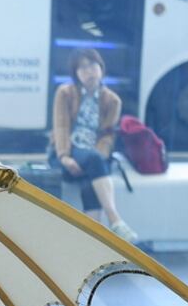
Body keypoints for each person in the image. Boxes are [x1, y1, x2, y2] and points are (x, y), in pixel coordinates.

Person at [49, 48, 138, 243]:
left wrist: (96, 155)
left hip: (92, 156)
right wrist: (65, 156)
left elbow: (107, 137)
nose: (88, 71)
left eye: (92, 66)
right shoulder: (65, 93)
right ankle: (115, 220)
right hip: (65, 152)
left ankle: (94, 244)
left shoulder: (112, 100)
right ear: (76, 74)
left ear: (101, 69)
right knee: (95, 162)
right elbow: (61, 126)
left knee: (92, 173)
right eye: (82, 68)